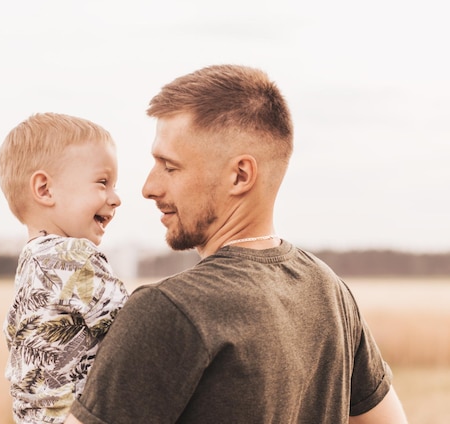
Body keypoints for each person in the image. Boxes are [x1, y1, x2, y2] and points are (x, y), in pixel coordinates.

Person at [66, 65, 408, 423]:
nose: (149, 188)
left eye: (170, 167)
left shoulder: (169, 311)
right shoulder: (328, 290)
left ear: (240, 176)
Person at [0, 112, 129, 424]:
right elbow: (135, 324)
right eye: (102, 182)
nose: (116, 198)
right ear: (44, 189)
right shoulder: (72, 256)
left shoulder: (30, 264)